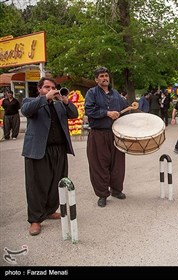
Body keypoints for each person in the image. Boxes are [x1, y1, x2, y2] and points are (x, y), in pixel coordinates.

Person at [21, 77, 78, 236]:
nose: (51, 89)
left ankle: (50, 210)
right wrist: (45, 98)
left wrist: (65, 100)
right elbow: (26, 111)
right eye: (46, 87)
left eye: (53, 87)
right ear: (39, 89)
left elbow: (74, 114)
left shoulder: (59, 104)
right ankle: (35, 219)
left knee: (57, 182)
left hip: (59, 150)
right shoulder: (31, 101)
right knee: (36, 185)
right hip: (38, 150)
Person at [84, 67, 128, 207]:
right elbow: (89, 110)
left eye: (106, 76)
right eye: (101, 76)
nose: (105, 78)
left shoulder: (115, 94)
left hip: (115, 134)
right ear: (96, 79)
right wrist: (107, 113)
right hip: (98, 134)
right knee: (99, 164)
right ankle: (102, 194)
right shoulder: (92, 93)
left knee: (118, 164)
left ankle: (116, 190)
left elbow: (124, 109)